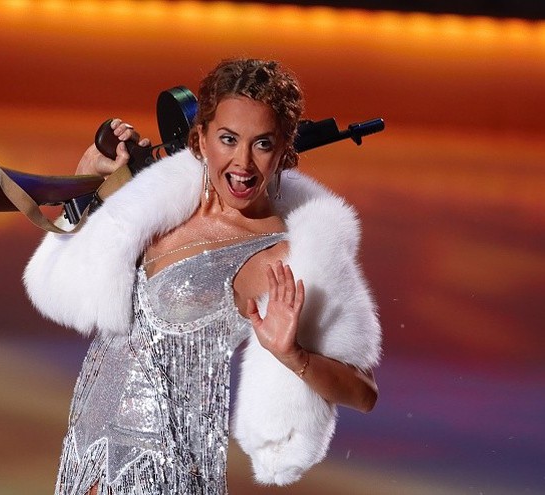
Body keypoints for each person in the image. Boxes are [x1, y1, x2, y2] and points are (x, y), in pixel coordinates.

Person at [24, 59, 381, 495]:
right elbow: (76, 286)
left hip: (169, 475)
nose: (242, 162)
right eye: (228, 139)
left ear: (285, 151)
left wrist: (292, 355)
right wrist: (87, 181)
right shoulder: (156, 204)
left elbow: (364, 392)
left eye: (262, 143)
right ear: (200, 138)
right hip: (85, 458)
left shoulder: (277, 256)